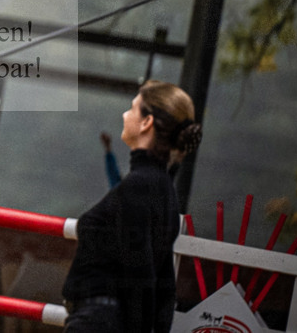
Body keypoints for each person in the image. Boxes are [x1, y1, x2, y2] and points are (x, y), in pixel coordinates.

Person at [62, 80, 203, 333]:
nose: (125, 114)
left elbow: (142, 275)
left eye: (132, 107)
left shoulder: (140, 186)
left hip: (98, 322)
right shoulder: (161, 188)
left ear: (146, 123)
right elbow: (162, 281)